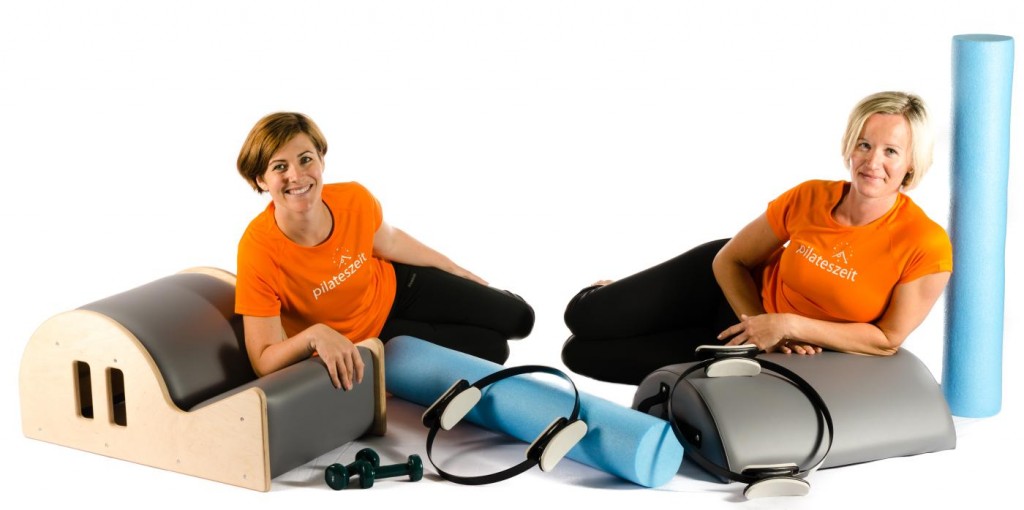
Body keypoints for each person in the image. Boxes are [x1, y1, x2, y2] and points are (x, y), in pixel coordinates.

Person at [561, 91, 953, 385]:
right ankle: (609, 293)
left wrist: (786, 328)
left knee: (581, 355)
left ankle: (637, 307)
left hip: (755, 345)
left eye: (891, 151)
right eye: (864, 144)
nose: (872, 162)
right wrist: (760, 323)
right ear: (850, 146)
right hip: (724, 289)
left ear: (911, 163)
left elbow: (886, 340)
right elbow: (729, 260)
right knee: (584, 317)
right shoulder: (810, 196)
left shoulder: (925, 243)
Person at [234, 112, 535, 390]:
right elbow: (263, 359)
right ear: (261, 180)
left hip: (398, 287)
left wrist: (451, 268)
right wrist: (314, 335)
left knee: (521, 318)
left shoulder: (353, 198)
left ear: (321, 161)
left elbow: (389, 242)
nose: (297, 176)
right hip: (370, 340)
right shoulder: (258, 249)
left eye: (305, 159)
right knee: (494, 349)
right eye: (280, 167)